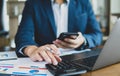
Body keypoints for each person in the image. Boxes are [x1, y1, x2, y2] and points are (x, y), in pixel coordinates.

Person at [15, 0, 102, 65]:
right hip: (46, 60)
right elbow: (23, 34)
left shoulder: (84, 2)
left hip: (79, 59)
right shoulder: (33, 3)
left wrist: (83, 40)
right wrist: (32, 50)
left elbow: (97, 34)